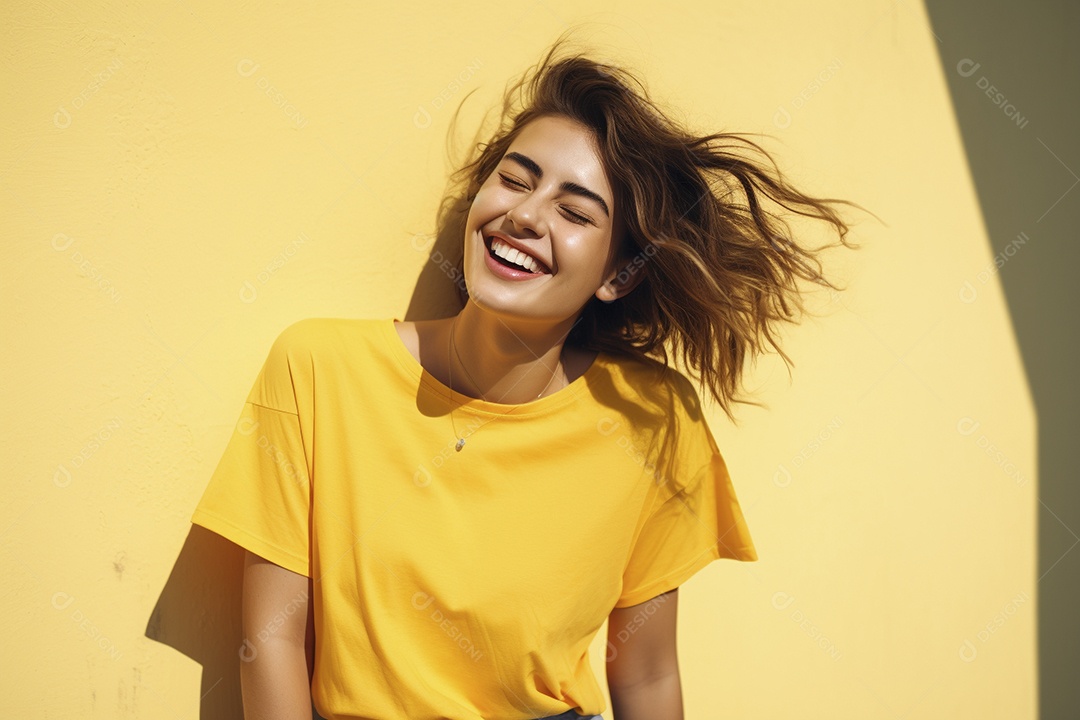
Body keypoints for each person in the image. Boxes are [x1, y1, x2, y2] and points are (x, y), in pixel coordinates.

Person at [190, 37, 862, 720]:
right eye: (515, 179)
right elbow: (268, 641)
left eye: (575, 212)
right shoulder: (317, 369)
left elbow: (649, 676)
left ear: (617, 275)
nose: (526, 216)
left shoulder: (654, 420)